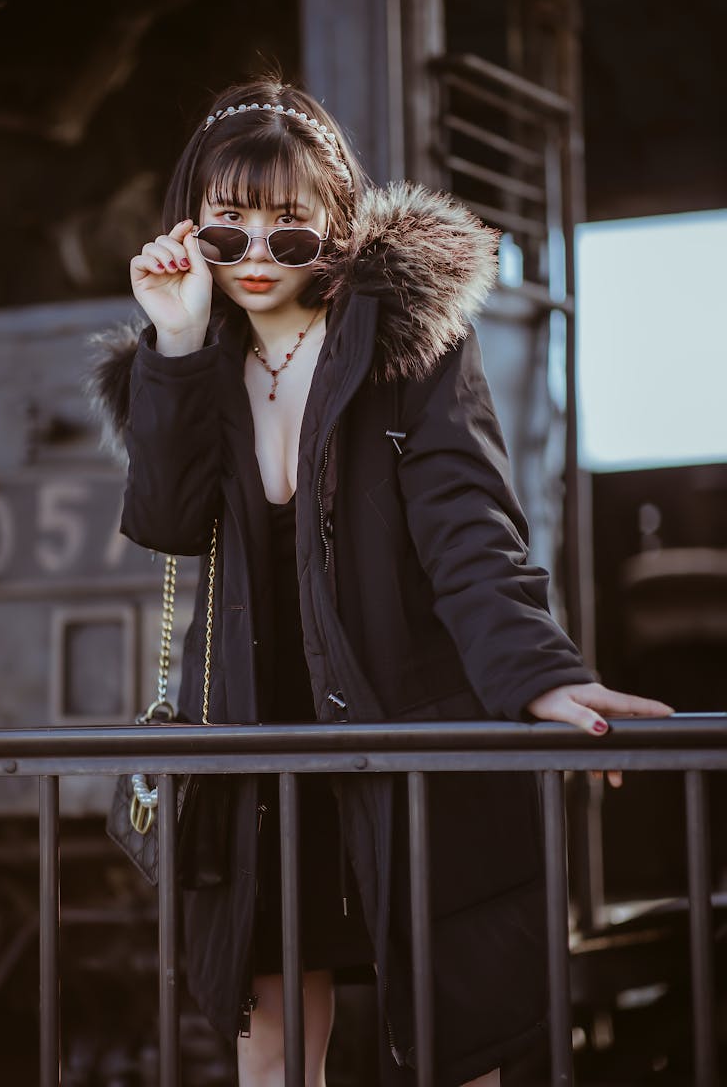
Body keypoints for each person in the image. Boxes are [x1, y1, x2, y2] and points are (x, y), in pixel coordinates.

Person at [87, 75, 673, 1087]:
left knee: (455, 1043)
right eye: (227, 233)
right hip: (255, 749)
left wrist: (538, 675)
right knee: (268, 1050)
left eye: (290, 232)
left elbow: (467, 526)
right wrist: (175, 341)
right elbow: (167, 524)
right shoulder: (190, 366)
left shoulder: (406, 347)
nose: (256, 258)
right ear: (193, 233)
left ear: (338, 231)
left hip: (406, 727)